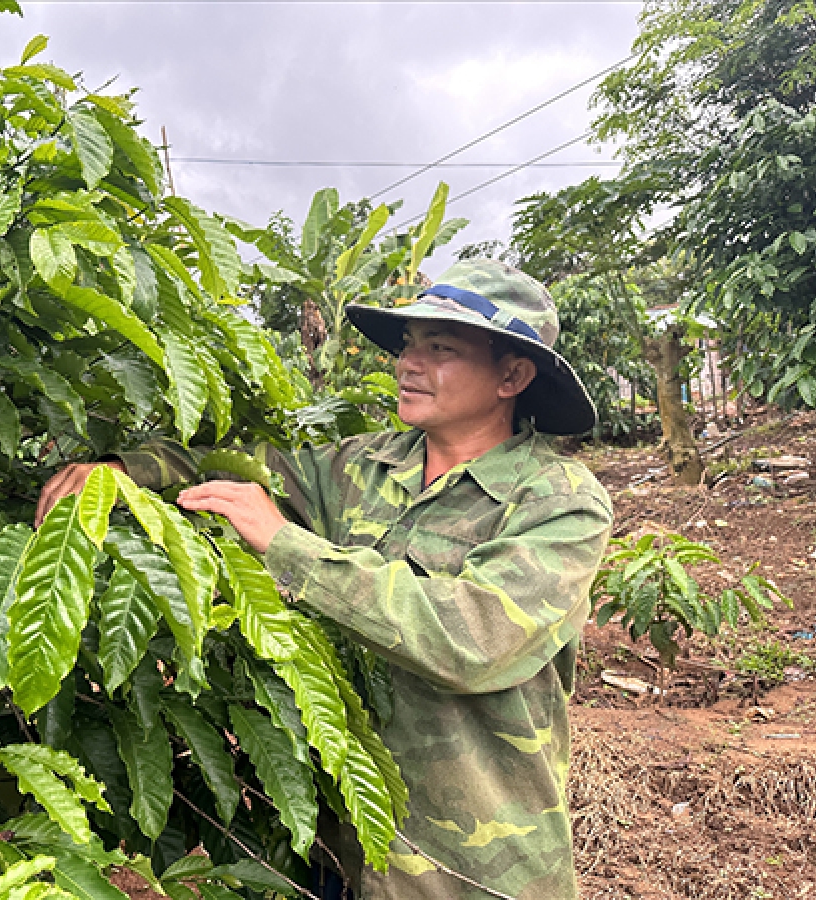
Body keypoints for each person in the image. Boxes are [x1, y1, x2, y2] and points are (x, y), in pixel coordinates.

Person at [37, 259, 613, 900]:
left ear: (513, 374)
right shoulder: (359, 465)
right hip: (340, 854)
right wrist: (125, 470)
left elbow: (474, 638)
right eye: (408, 345)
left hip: (471, 872)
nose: (408, 364)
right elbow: (232, 467)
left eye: (440, 348)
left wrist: (286, 545)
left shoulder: (558, 503)